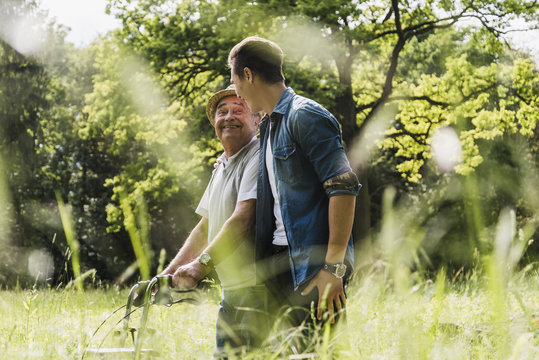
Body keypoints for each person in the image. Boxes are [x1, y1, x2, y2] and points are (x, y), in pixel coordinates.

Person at [228, 36, 361, 341]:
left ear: (248, 75)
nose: (235, 90)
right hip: (276, 264)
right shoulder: (269, 126)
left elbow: (343, 188)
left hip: (314, 270)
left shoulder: (305, 115)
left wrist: (334, 268)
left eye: (234, 80)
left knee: (313, 351)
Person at [160, 85, 267, 358]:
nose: (228, 116)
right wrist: (168, 274)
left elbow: (243, 219)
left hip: (257, 288)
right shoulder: (222, 164)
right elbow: (205, 227)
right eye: (222, 112)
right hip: (231, 288)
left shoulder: (258, 155)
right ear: (215, 124)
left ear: (256, 119)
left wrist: (200, 266)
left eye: (238, 110)